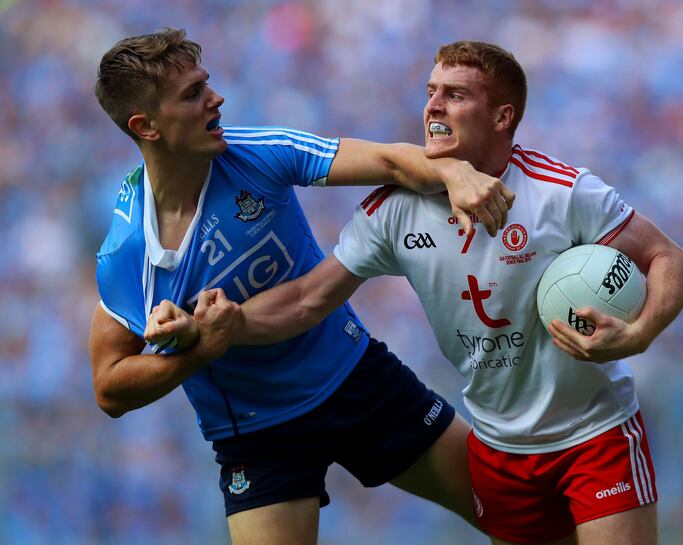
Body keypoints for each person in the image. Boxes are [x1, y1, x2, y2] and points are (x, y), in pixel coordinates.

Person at [151, 41, 683, 545]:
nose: (433, 106)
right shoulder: (394, 211)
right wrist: (222, 326)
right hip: (499, 448)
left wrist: (639, 333)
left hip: (595, 435)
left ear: (503, 116)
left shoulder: (563, 192)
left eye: (454, 95)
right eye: (430, 92)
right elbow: (306, 300)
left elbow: (670, 259)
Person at [88, 29, 516, 545]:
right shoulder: (128, 250)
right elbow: (109, 387)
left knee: (518, 516)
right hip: (256, 435)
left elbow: (386, 161)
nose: (215, 98)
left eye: (207, 84)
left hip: (356, 376)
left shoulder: (258, 153)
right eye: (193, 94)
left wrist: (454, 174)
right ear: (146, 126)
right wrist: (200, 349)